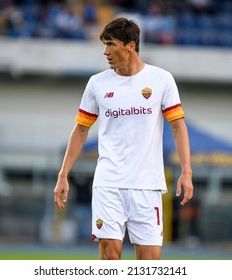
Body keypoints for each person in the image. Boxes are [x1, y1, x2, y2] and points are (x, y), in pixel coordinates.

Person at [53, 17, 194, 260]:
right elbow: (81, 130)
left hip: (147, 185)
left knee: (149, 262)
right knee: (109, 256)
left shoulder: (161, 80)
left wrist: (187, 172)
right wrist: (63, 174)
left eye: (110, 44)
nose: (105, 52)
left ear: (130, 46)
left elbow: (178, 127)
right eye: (104, 45)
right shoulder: (97, 83)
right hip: (108, 183)